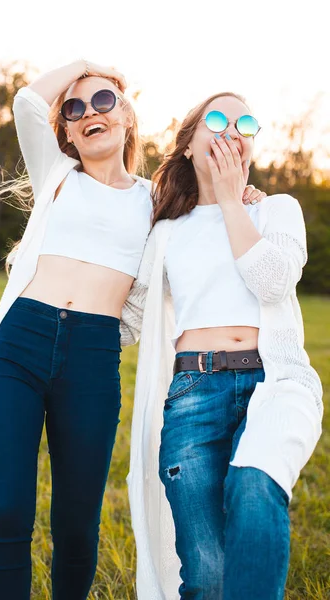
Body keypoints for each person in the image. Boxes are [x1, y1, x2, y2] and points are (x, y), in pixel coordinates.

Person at [0, 59, 154, 600]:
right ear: (66, 131)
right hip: (18, 346)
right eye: (75, 108)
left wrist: (250, 197)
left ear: (127, 117)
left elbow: (207, 225)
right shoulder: (56, 175)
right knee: (5, 510)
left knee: (75, 523)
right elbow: (25, 101)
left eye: (104, 101)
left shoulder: (157, 201)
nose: (90, 112)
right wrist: (87, 66)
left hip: (92, 359)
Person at [124, 92, 323, 599]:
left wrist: (233, 202)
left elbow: (274, 283)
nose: (232, 130)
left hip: (272, 383)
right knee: (207, 575)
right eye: (217, 119)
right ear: (189, 144)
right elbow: (129, 318)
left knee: (255, 488)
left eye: (245, 123)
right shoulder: (166, 231)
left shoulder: (276, 210)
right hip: (193, 393)